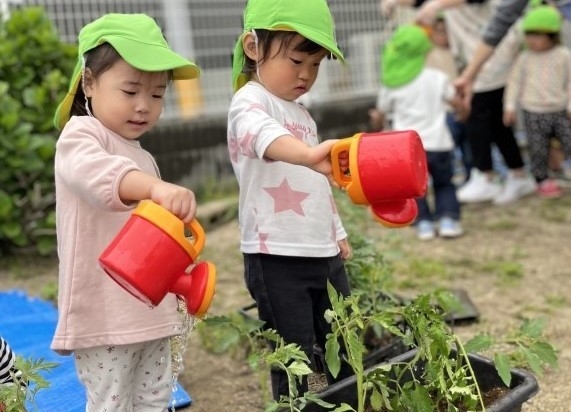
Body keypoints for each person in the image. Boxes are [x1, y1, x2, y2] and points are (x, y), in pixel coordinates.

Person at [51, 13, 201, 411]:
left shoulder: (144, 159)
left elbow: (156, 241)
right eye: (130, 90)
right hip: (104, 317)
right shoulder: (81, 136)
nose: (143, 106)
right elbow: (101, 177)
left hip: (149, 312)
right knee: (111, 403)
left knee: (154, 399)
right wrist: (153, 188)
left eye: (156, 95)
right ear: (89, 83)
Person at [228, 0, 354, 401]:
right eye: (297, 60)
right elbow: (260, 134)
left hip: (322, 250)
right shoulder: (250, 101)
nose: (306, 74)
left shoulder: (302, 113)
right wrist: (308, 154)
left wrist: (338, 231)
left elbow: (318, 182)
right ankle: (294, 406)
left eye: (315, 65)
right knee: (294, 352)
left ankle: (348, 399)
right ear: (253, 47)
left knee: (342, 336)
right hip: (275, 255)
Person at [382, 0, 537, 205]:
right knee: (496, 124)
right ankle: (513, 174)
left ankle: (488, 175)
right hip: (481, 59)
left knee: (480, 119)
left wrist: (436, 5)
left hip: (490, 59)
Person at [370, 24, 464, 240]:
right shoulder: (436, 77)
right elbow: (455, 101)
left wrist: (377, 121)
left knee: (413, 188)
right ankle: (448, 220)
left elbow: (381, 113)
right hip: (439, 142)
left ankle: (424, 224)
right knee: (444, 182)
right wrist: (462, 111)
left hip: (407, 148)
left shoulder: (392, 83)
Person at [503, 4, 571, 198]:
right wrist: (509, 106)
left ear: (552, 35)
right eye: (529, 35)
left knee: (568, 140)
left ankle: (563, 169)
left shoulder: (564, 55)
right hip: (533, 111)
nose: (532, 41)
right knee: (538, 147)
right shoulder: (524, 58)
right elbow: (514, 82)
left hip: (559, 109)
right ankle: (542, 179)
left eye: (537, 36)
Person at [425, 15, 473, 183]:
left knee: (468, 147)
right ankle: (450, 180)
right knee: (448, 148)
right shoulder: (429, 54)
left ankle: (471, 178)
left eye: (446, 32)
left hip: (463, 106)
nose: (442, 36)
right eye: (438, 32)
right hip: (444, 110)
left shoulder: (458, 52)